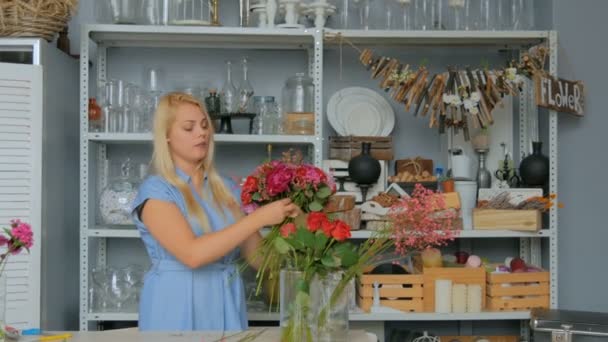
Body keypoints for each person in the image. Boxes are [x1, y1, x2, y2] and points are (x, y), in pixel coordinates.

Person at [131, 92, 300, 331]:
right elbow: (192, 255)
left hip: (225, 301)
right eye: (189, 128)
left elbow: (260, 261)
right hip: (174, 305)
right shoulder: (156, 191)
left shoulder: (226, 189)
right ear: (166, 136)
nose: (201, 133)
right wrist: (258, 219)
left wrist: (294, 224)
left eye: (204, 126)